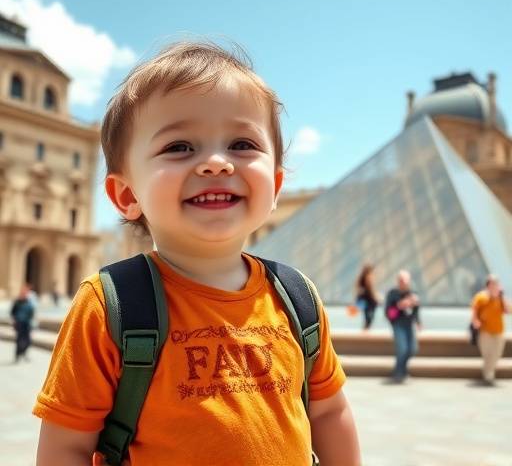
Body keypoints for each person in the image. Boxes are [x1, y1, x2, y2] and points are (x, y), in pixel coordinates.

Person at [33, 42, 361, 465]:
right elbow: (66, 447)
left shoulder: (298, 298)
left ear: (276, 187)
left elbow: (330, 412)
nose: (216, 163)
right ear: (127, 195)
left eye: (242, 144)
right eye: (180, 147)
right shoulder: (107, 306)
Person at [471, 274, 511, 386]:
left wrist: (502, 297)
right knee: (487, 354)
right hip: (485, 331)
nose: (495, 286)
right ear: (488, 285)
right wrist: (475, 321)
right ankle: (488, 375)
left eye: (497, 284)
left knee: (497, 353)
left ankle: (489, 373)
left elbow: (508, 311)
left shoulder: (501, 297)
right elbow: (474, 311)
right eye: (493, 284)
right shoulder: (481, 297)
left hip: (499, 330)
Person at [384, 270, 421, 383]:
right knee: (402, 349)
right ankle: (399, 372)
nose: (403, 282)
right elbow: (388, 311)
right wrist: (400, 305)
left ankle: (402, 369)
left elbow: (415, 310)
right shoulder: (393, 293)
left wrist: (418, 321)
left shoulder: (412, 293)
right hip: (398, 324)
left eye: (405, 280)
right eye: (401, 280)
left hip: (409, 323)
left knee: (413, 349)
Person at [10, 283, 35, 362]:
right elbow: (12, 312)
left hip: (27, 324)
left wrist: (33, 323)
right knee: (19, 340)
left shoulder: (29, 302)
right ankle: (17, 355)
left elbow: (32, 313)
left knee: (28, 340)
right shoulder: (17, 302)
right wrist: (14, 321)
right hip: (19, 323)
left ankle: (24, 353)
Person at [355, 263, 379, 330]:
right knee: (369, 320)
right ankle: (365, 332)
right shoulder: (368, 278)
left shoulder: (361, 279)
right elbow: (371, 291)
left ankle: (365, 331)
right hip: (369, 303)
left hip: (366, 303)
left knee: (367, 320)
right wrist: (376, 298)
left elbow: (358, 290)